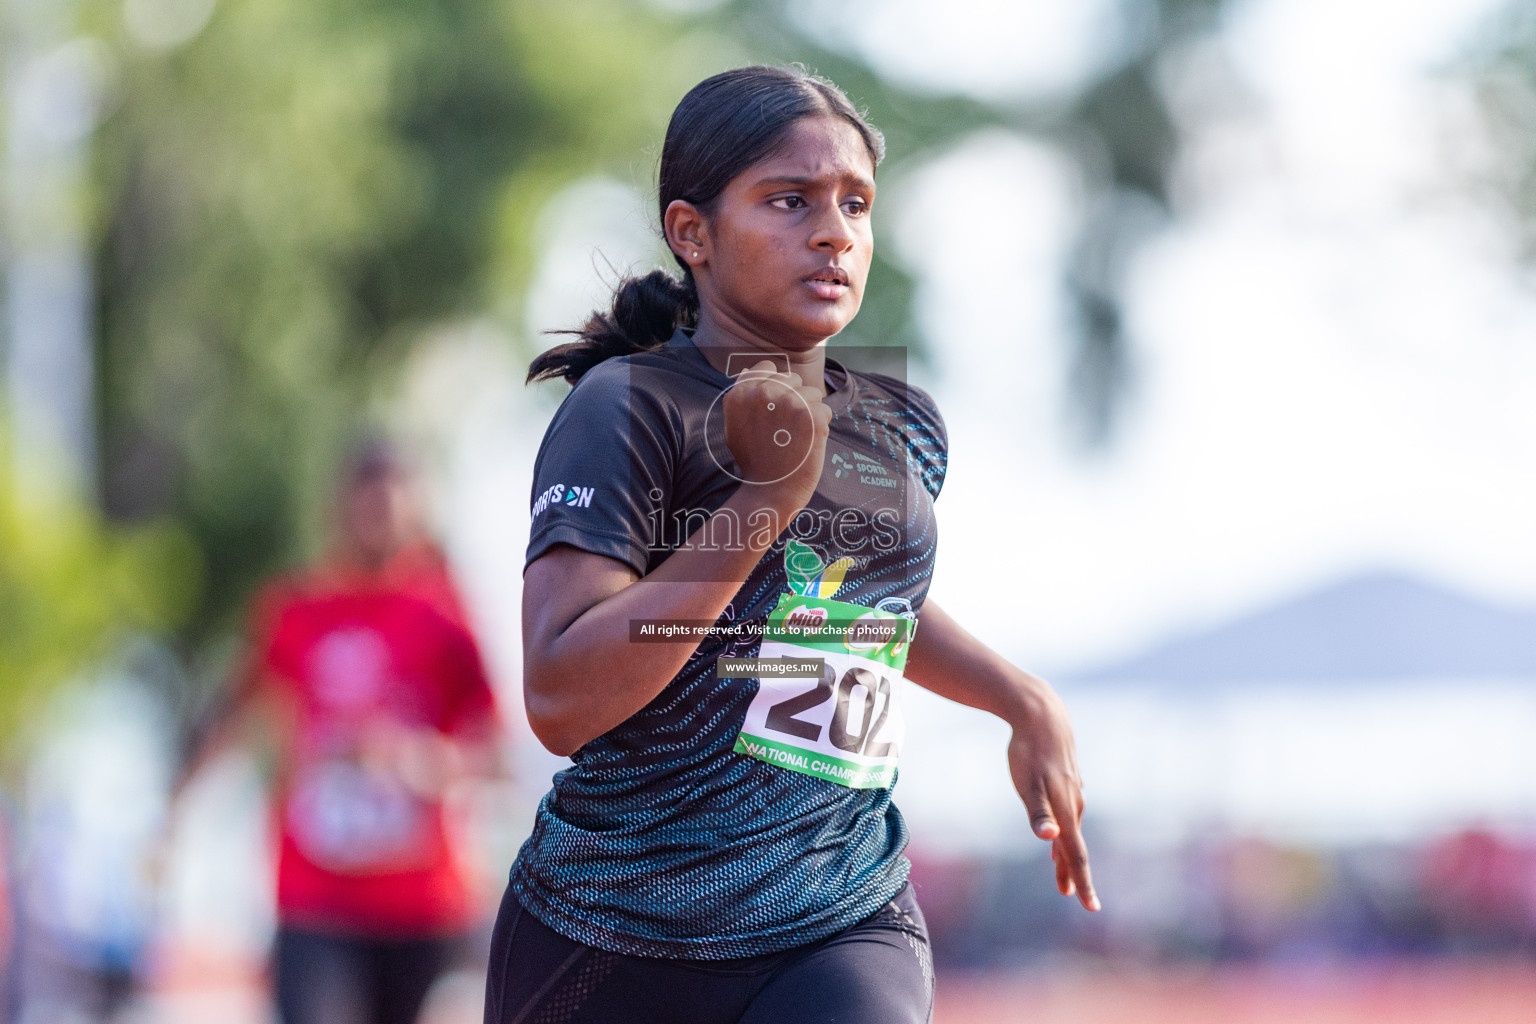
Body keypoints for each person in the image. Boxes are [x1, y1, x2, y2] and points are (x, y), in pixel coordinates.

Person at [488, 65, 1097, 1024]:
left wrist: (1019, 697)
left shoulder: (901, 423)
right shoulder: (632, 407)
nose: (834, 231)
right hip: (617, 930)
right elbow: (562, 696)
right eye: (790, 200)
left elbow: (848, 605)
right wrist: (764, 498)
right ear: (693, 232)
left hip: (839, 911)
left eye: (855, 203)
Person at [176, 440, 502, 1024]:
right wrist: (178, 808)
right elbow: (231, 714)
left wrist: (419, 762)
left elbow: (492, 753)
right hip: (314, 897)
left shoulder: (446, 617)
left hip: (418, 902)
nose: (378, 515)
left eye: (393, 499)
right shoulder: (294, 611)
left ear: (416, 507)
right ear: (338, 507)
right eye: (365, 499)